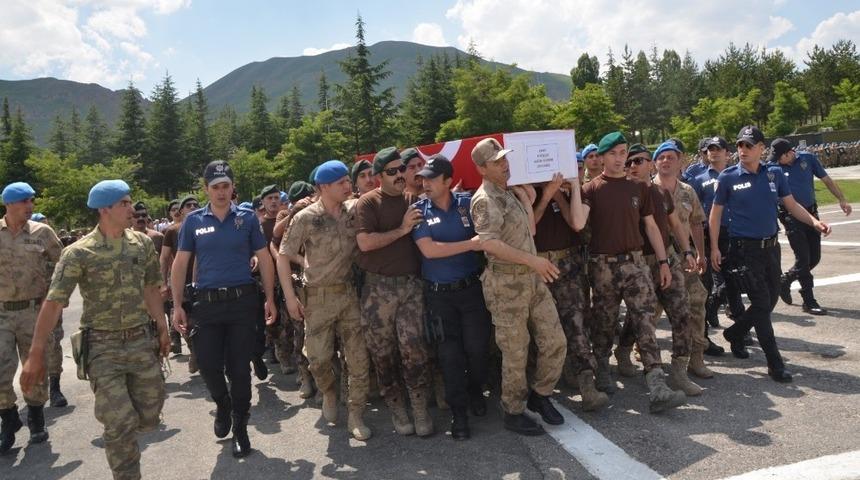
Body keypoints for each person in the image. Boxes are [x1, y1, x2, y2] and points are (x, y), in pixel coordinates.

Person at [21, 179, 170, 479]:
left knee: (150, 413)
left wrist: (162, 326)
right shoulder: (79, 252)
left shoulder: (141, 244)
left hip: (141, 340)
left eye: (130, 202)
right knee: (119, 422)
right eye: (124, 203)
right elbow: (53, 303)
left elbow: (151, 288)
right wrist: (35, 354)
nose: (131, 209)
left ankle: (125, 437)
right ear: (105, 209)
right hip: (102, 348)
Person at [571, 132, 686, 413]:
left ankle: (657, 384)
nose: (619, 158)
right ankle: (602, 369)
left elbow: (651, 226)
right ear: (602, 157)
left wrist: (663, 262)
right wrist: (575, 186)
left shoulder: (638, 188)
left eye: (623, 152)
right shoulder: (591, 189)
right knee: (605, 322)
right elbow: (578, 223)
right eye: (613, 153)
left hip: (635, 263)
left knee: (645, 320)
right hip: (603, 266)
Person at [170, 160, 278, 458]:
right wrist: (177, 305)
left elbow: (264, 258)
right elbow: (180, 263)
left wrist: (269, 297)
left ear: (233, 188)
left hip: (242, 304)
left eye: (225, 186)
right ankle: (223, 403)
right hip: (207, 305)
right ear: (206, 189)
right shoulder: (193, 222)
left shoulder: (247, 218)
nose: (221, 192)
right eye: (215, 187)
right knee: (207, 364)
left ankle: (240, 427)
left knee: (239, 369)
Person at [710, 126, 831, 383]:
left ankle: (735, 332)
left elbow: (792, 205)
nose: (743, 150)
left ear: (761, 148)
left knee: (771, 299)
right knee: (762, 304)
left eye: (748, 145)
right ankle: (775, 363)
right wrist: (714, 248)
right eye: (740, 145)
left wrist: (814, 222)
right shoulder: (729, 177)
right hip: (745, 251)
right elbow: (715, 214)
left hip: (772, 249)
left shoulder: (774, 174)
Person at [469, 138, 566, 436]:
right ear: (482, 169)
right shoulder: (485, 199)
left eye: (505, 158)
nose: (505, 164)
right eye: (497, 161)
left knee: (555, 340)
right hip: (506, 284)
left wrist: (532, 198)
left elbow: (527, 229)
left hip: (531, 279)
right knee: (515, 352)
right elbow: (489, 243)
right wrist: (533, 261)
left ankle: (540, 394)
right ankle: (512, 410)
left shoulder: (507, 192)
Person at [277, 160, 372, 441]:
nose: (348, 185)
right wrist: (290, 298)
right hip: (317, 298)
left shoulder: (354, 210)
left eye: (348, 181)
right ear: (323, 187)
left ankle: (356, 413)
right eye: (341, 182)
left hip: (348, 294)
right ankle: (329, 391)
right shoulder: (306, 217)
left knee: (358, 359)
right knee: (318, 360)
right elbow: (283, 256)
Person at [354, 147, 434, 437]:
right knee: (383, 353)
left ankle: (420, 407)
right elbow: (364, 243)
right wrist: (402, 229)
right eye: (392, 171)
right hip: (378, 290)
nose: (400, 175)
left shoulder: (414, 201)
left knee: (414, 347)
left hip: (411, 286)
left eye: (402, 169)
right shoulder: (368, 203)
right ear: (379, 176)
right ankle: (397, 408)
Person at [411, 155, 491, 440]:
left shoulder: (468, 204)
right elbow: (429, 250)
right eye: (423, 178)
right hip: (439, 297)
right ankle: (459, 412)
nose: (425, 183)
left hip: (471, 291)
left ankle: (475, 390)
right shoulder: (418, 211)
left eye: (432, 178)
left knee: (478, 349)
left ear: (448, 181)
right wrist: (470, 244)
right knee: (450, 355)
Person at [618, 143, 702, 397]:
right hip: (638, 261)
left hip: (666, 257)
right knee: (639, 316)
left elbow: (675, 224)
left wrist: (687, 251)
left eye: (639, 160)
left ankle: (679, 371)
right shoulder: (623, 193)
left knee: (681, 312)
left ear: (649, 164)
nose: (633, 165)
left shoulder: (661, 193)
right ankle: (623, 350)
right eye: (629, 162)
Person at [531, 171, 608, 411]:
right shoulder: (524, 191)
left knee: (577, 324)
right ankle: (542, 382)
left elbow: (576, 224)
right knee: (541, 329)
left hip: (567, 264)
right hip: (537, 267)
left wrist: (559, 194)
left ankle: (587, 385)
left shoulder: (569, 192)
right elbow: (529, 227)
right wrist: (546, 195)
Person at [0, 182, 62, 452]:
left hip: (34, 312)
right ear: (8, 204)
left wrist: (55, 296)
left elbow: (63, 264)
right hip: (1, 312)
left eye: (31, 200)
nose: (30, 206)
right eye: (24, 201)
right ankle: (8, 416)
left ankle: (36, 417)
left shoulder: (42, 232)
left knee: (35, 366)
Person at [653, 143, 716, 379]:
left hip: (684, 257)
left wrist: (700, 253)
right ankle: (641, 349)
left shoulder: (688, 191)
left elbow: (696, 223)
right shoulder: (647, 190)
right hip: (656, 259)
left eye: (671, 157)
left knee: (697, 301)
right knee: (651, 308)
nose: (666, 161)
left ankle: (696, 357)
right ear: (655, 163)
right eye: (661, 157)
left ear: (680, 162)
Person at [769, 139, 852, 315]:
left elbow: (826, 179)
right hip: (790, 216)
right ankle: (808, 300)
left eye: (779, 157)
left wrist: (841, 199)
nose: (776, 160)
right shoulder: (773, 168)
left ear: (789, 153)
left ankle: (786, 279)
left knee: (814, 257)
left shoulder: (808, 158)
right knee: (803, 258)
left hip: (812, 213)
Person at [692, 136, 743, 341]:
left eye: (718, 149)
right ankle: (706, 328)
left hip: (735, 233)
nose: (713, 152)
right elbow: (694, 212)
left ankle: (737, 324)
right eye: (710, 149)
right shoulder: (699, 180)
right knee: (710, 283)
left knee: (735, 281)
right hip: (711, 235)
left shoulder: (736, 175)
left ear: (727, 153)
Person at [160, 195, 199, 359]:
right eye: (188, 205)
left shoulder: (208, 226)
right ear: (181, 211)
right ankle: (195, 350)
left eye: (195, 205)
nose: (192, 207)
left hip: (205, 281)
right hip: (182, 281)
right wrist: (164, 283)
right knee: (185, 319)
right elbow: (164, 258)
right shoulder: (173, 230)